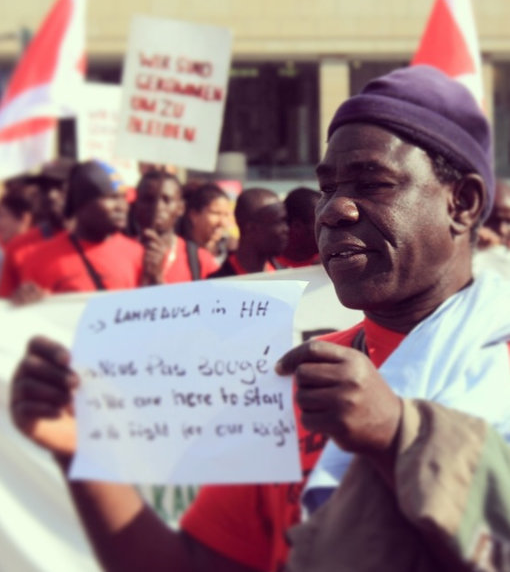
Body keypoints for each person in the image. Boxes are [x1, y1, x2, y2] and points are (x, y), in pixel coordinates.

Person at [9, 65, 510, 571]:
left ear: (463, 203)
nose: (333, 210)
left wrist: (398, 434)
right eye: (327, 188)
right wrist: (80, 452)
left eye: (373, 183)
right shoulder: (293, 381)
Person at [8, 159, 144, 301]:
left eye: (123, 198)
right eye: (112, 198)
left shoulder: (138, 254)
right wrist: (24, 305)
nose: (122, 206)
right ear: (81, 204)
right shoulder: (38, 260)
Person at [0, 158, 74, 297]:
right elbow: (5, 304)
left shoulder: (109, 242)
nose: (51, 195)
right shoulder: (18, 247)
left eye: (60, 187)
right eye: (45, 188)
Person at [132, 170, 219, 285]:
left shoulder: (201, 260)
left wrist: (157, 277)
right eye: (148, 199)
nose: (158, 206)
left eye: (166, 200)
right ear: (136, 205)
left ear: (181, 208)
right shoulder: (117, 254)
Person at [208, 187, 289, 277]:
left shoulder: (286, 276)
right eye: (278, 222)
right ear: (251, 228)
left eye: (285, 221)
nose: (286, 229)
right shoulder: (218, 282)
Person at [178, 181, 235, 261]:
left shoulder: (231, 252)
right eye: (216, 213)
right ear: (194, 215)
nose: (222, 222)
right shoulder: (177, 254)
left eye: (226, 215)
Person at [274, 187, 320, 268]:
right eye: (321, 224)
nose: (329, 230)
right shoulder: (264, 267)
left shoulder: (333, 263)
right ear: (297, 226)